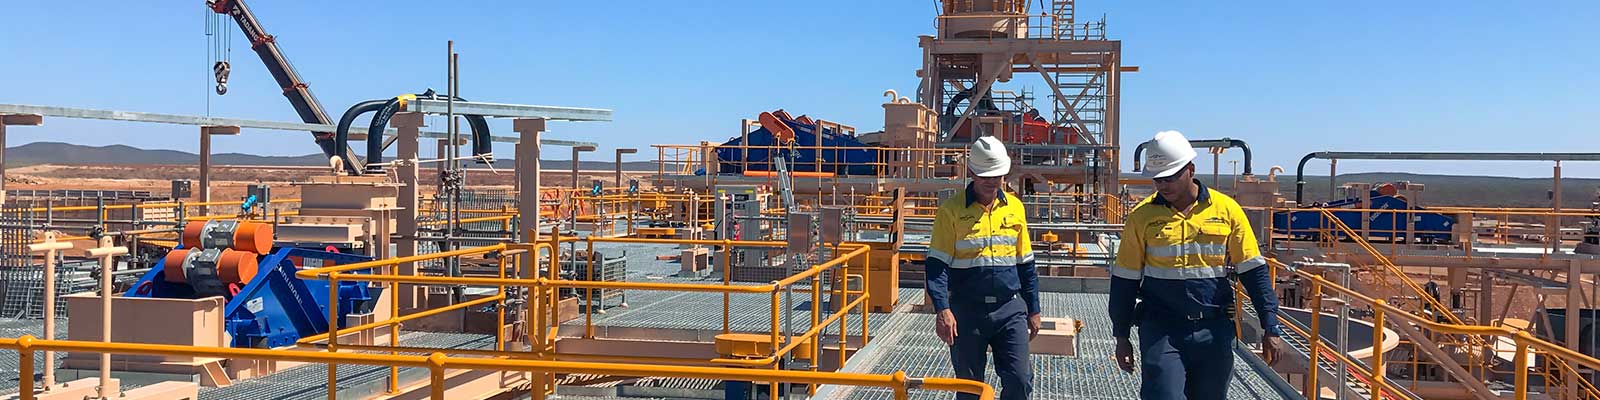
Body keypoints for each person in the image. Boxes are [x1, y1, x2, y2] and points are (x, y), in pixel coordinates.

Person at [1110, 130, 1286, 400]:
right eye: (1158, 179)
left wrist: (1270, 326)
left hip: (1214, 330)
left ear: (1190, 169)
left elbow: (1253, 271)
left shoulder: (1226, 211)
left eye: (1170, 177)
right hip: (1162, 329)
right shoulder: (1141, 217)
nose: (1163, 185)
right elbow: (1125, 279)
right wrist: (1121, 335)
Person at [926, 136, 1042, 400]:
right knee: (969, 389)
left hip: (1009, 308)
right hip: (967, 312)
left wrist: (1033, 309)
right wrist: (943, 309)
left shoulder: (1015, 208)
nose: (991, 182)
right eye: (985, 176)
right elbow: (937, 266)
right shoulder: (951, 211)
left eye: (997, 175)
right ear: (971, 172)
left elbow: (1026, 264)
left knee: (1020, 382)